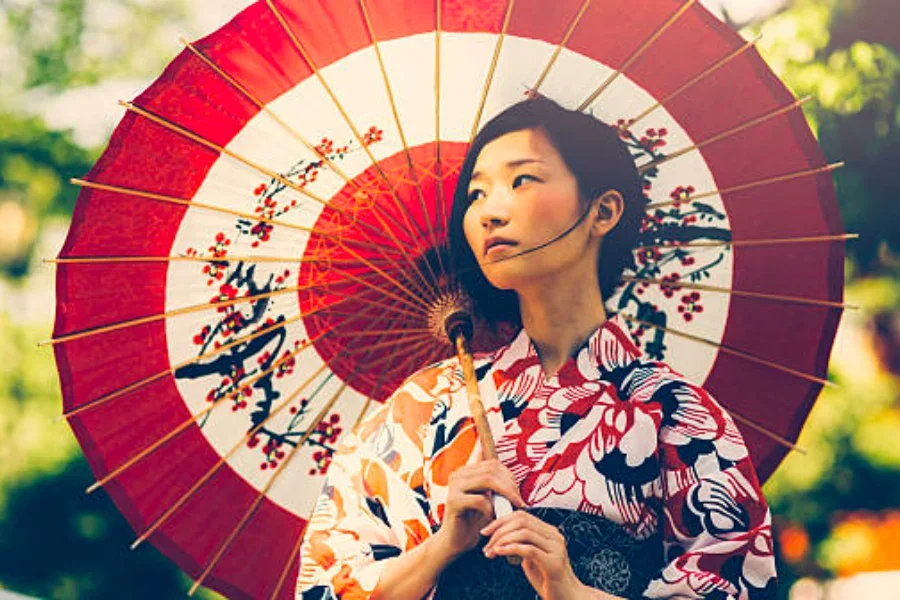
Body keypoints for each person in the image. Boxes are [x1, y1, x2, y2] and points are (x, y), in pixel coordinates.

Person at [295, 97, 777, 599]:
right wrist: (443, 546)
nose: (488, 212)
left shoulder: (675, 414)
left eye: (521, 180)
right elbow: (324, 588)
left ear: (603, 210)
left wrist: (573, 592)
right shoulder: (422, 408)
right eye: (476, 194)